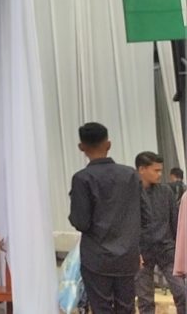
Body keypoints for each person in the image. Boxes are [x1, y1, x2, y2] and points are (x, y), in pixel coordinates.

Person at [69, 122, 147, 314]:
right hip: (127, 257)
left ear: (81, 147)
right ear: (109, 144)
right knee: (126, 307)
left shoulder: (82, 178)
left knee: (101, 308)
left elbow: (81, 222)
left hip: (96, 258)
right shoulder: (131, 175)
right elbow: (145, 214)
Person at [134, 151, 185, 314]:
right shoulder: (131, 194)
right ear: (142, 169)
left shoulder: (166, 192)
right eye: (156, 170)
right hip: (141, 252)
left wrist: (180, 249)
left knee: (182, 292)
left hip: (167, 248)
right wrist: (134, 250)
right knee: (145, 299)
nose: (160, 174)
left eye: (161, 170)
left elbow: (175, 222)